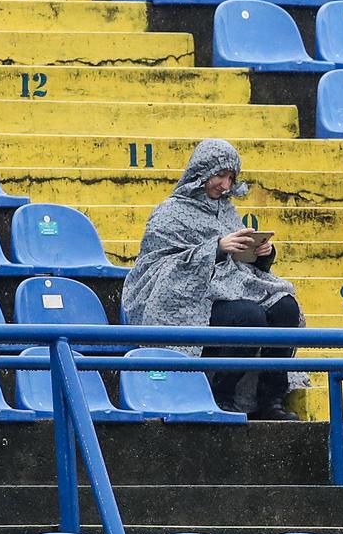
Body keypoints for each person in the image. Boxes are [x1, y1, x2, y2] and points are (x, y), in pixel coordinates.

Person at [121, 139, 302, 420]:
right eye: (220, 175)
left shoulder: (228, 211)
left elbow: (242, 264)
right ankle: (222, 395)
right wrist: (217, 248)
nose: (225, 185)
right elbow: (158, 266)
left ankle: (270, 399)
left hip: (230, 287)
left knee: (286, 307)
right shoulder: (170, 211)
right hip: (190, 298)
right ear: (201, 172)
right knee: (248, 316)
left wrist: (262, 252)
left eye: (231, 178)